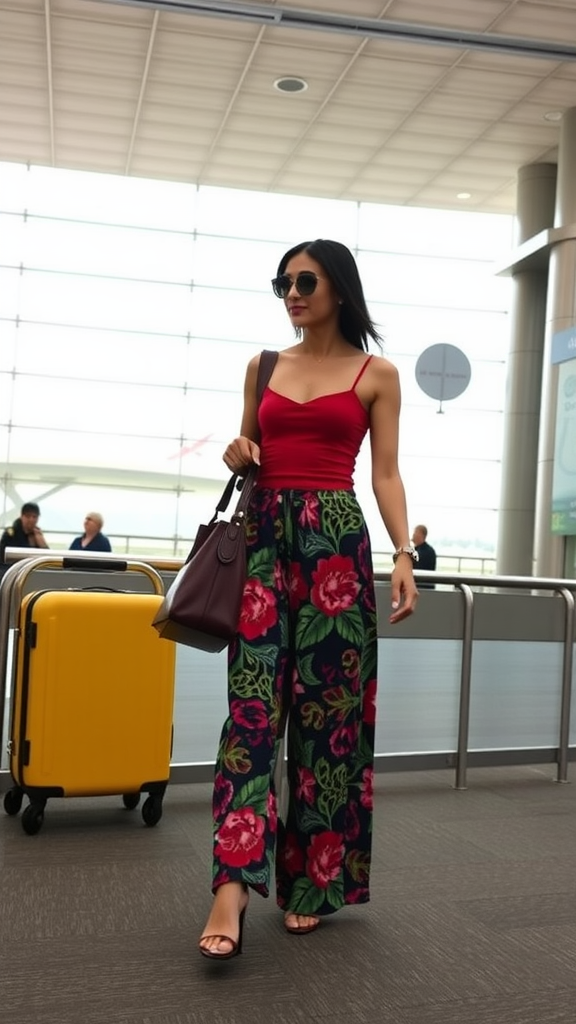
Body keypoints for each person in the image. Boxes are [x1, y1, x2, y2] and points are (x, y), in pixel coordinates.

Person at [198, 238, 418, 961]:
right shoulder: (262, 366)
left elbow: (385, 475)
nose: (290, 293)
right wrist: (238, 449)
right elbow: (249, 444)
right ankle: (231, 885)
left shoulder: (375, 373)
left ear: (339, 290)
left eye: (304, 281)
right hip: (263, 544)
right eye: (282, 282)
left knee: (329, 723)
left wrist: (403, 553)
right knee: (253, 712)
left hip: (337, 550)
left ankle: (310, 881)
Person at [0, 501, 49, 567]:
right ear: (22, 516)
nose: (31, 520)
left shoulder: (37, 535)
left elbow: (47, 561)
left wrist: (43, 545)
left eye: (34, 517)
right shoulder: (10, 534)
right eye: (28, 516)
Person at [412, 524, 436, 589]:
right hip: (425, 587)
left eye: (415, 533)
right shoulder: (426, 550)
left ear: (421, 535)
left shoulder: (424, 552)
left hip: (422, 588)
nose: (413, 535)